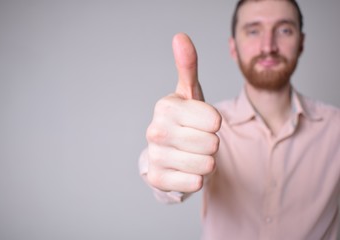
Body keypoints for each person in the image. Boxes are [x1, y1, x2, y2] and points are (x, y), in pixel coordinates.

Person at [139, 0, 340, 239]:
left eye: (284, 30)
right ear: (233, 48)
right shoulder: (207, 126)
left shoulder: (336, 128)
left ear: (301, 43)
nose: (268, 46)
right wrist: (165, 162)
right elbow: (168, 182)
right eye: (253, 30)